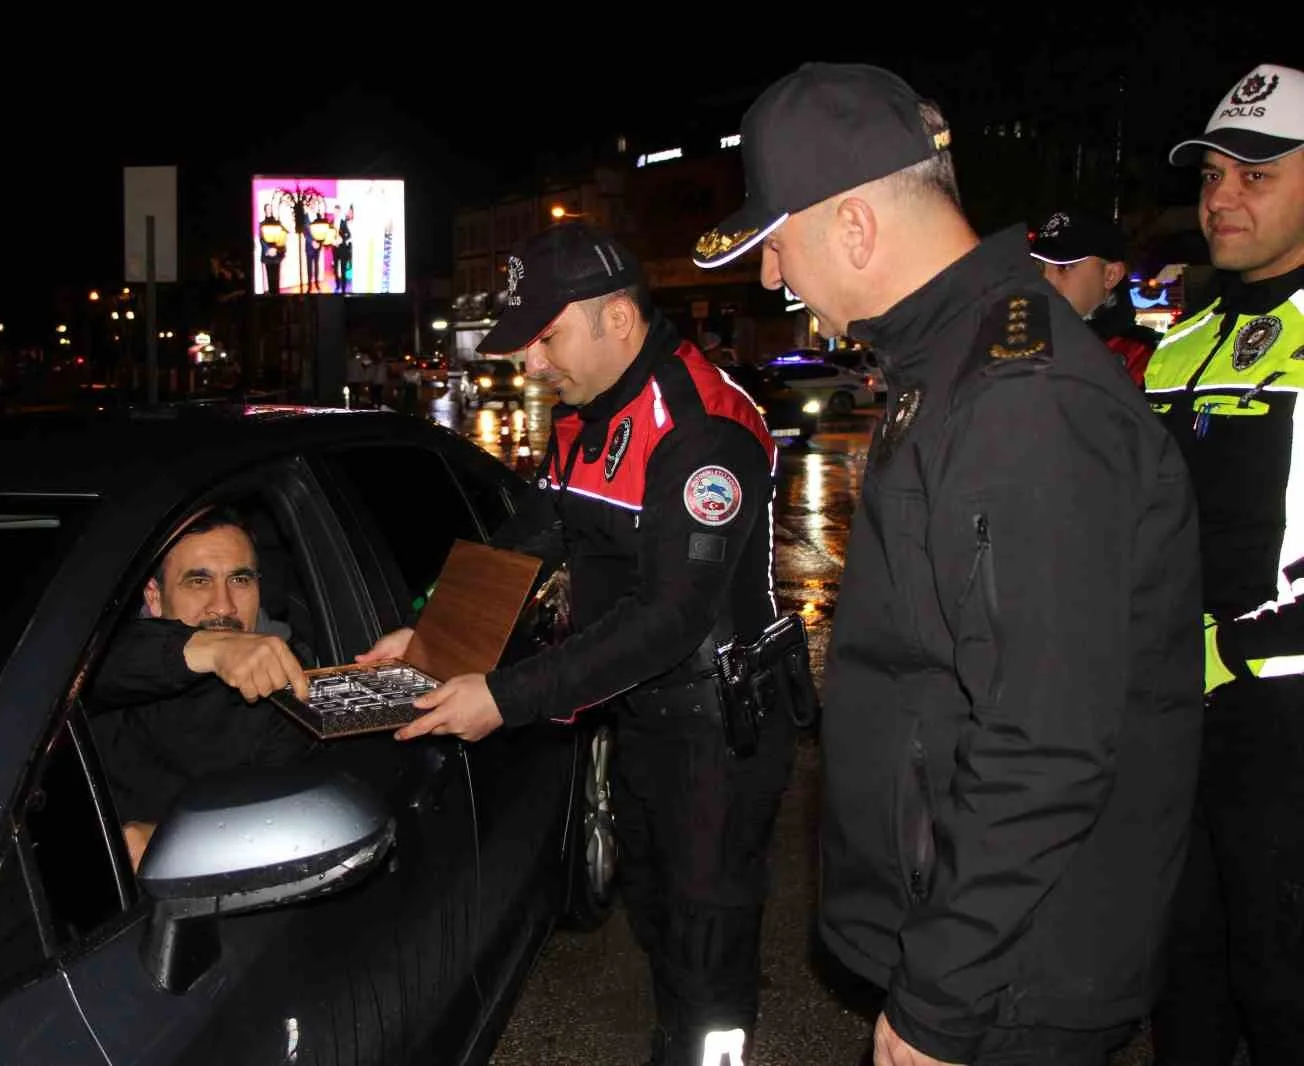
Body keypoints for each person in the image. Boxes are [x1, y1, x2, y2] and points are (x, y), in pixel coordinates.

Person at [691, 61, 1203, 1065]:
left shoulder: (1019, 399)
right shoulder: (954, 361)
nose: (770, 278)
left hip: (1014, 976)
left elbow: (1044, 741)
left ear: (852, 225)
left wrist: (938, 998)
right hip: (985, 949)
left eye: (777, 244)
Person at [361, 220, 796, 1065]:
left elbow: (670, 616)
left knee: (709, 932)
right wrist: (435, 626)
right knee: (656, 905)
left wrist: (506, 696)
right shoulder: (584, 416)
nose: (530, 364)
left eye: (546, 338)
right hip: (636, 708)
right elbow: (528, 538)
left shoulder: (703, 429)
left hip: (717, 725)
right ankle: (681, 1034)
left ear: (618, 320)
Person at [1145, 61, 1304, 1066]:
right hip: (1173, 726)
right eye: (1211, 174)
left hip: (1284, 728)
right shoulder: (1178, 345)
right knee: (1180, 983)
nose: (1221, 197)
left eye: (1256, 173)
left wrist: (1229, 656)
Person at [87, 506, 314, 871]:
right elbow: (84, 671)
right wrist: (203, 649)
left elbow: (267, 824)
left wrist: (166, 840)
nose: (223, 605)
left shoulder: (289, 685)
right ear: (154, 596)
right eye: (199, 581)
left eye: (240, 580)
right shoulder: (110, 658)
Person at [1028, 207, 1164, 386]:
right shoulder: (1015, 349)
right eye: (1039, 267)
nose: (1045, 280)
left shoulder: (1144, 359)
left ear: (1110, 275)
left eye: (1065, 267)